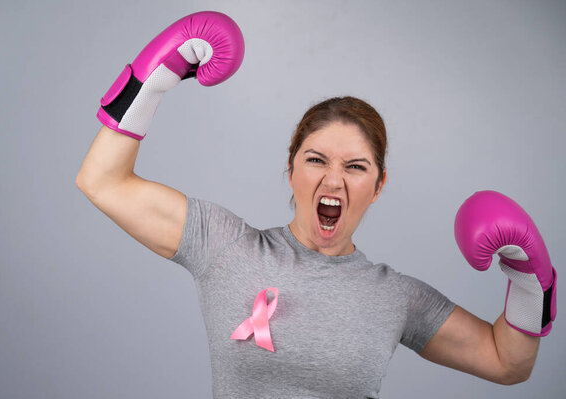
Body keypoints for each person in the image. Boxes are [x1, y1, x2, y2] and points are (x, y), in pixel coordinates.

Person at [76, 11, 556, 398]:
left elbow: (506, 362)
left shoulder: (396, 296)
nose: (333, 179)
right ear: (291, 170)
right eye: (316, 160)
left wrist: (531, 279)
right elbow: (103, 181)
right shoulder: (224, 245)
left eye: (356, 167)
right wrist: (155, 76)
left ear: (379, 185)